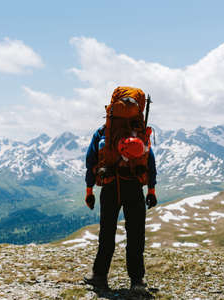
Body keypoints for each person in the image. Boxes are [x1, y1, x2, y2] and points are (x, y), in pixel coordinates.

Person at [83, 86, 158, 291]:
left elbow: (91, 161)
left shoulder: (104, 131)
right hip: (134, 186)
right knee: (135, 234)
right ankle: (137, 281)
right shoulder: (140, 132)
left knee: (106, 233)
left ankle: (99, 276)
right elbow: (149, 160)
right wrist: (151, 190)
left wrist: (89, 191)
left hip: (109, 186)